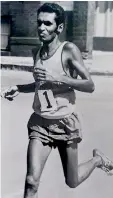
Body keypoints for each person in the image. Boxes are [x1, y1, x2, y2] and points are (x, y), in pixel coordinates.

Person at [1, 3, 113, 198]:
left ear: (59, 28)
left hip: (65, 124)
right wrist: (18, 88)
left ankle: (97, 160)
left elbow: (89, 84)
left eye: (47, 24)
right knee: (31, 182)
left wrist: (58, 77)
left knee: (72, 181)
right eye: (39, 23)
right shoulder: (36, 52)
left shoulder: (69, 50)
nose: (41, 28)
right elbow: (40, 85)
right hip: (41, 123)